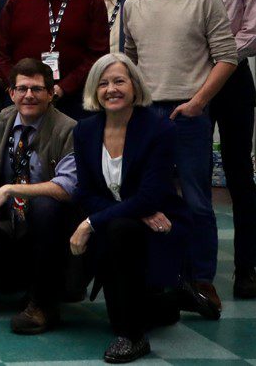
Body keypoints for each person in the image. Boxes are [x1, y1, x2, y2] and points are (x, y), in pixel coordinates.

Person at [69, 54, 219, 363]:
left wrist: (91, 223)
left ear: (136, 88)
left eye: (119, 81)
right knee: (117, 229)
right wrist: (127, 209)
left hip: (159, 221)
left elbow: (153, 196)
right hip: (131, 217)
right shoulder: (84, 131)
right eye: (104, 83)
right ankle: (176, 295)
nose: (111, 89)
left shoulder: (158, 129)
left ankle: (134, 338)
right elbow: (85, 193)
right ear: (95, 91)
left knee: (118, 229)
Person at [123, 0, 237, 311]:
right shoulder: (134, 4)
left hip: (189, 113)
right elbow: (130, 61)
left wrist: (199, 102)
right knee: (148, 198)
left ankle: (202, 280)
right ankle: (160, 277)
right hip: (146, 114)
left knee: (196, 200)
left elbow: (227, 57)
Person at [0, 58, 79, 334]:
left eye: (37, 89)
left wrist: (11, 189)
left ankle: (43, 302)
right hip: (9, 222)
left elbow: (66, 188)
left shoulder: (68, 129)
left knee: (45, 207)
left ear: (51, 93)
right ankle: (19, 281)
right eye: (21, 89)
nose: (29, 95)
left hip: (51, 225)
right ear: (11, 93)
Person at [182, 0, 256, 299]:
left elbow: (253, 32)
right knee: (191, 175)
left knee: (239, 175)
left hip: (233, 84)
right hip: (190, 82)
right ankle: (194, 268)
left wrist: (219, 59)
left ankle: (247, 267)